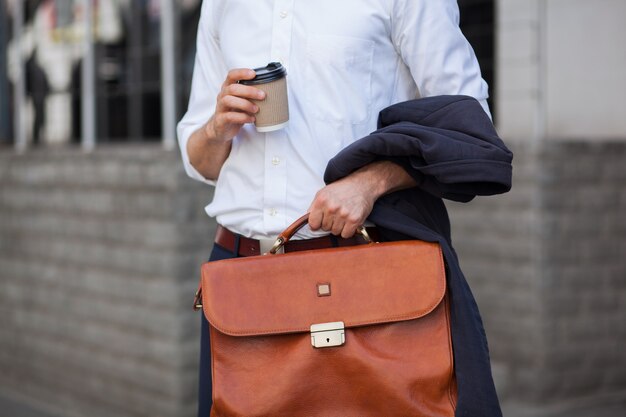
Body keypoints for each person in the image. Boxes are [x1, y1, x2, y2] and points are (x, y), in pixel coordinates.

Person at [177, 1, 498, 416]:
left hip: (361, 268)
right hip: (242, 275)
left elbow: (469, 123)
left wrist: (370, 182)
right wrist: (216, 129)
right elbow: (201, 163)